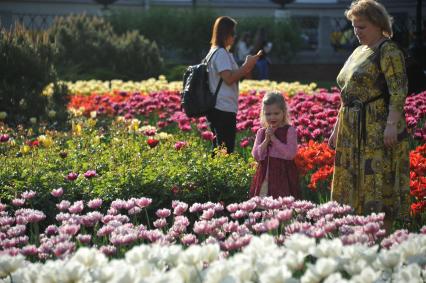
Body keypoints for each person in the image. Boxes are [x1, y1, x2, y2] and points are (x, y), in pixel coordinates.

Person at [328, 0, 410, 229]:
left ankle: (379, 237)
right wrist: (336, 129)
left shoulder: (388, 50)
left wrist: (391, 125)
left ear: (377, 24)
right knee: (350, 186)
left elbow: (398, 90)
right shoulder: (358, 51)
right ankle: (353, 235)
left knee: (375, 184)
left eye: (362, 26)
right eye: (354, 26)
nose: (356, 31)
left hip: (376, 129)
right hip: (351, 128)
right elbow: (347, 94)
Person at [206, 16, 260, 154]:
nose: (235, 36)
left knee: (219, 148)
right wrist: (247, 66)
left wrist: (246, 68)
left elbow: (230, 76)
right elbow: (228, 78)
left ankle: (215, 174)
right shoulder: (221, 53)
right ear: (225, 33)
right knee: (225, 149)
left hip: (218, 107)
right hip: (222, 107)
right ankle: (219, 175)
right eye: (233, 33)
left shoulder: (215, 51)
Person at [249, 92, 300, 199]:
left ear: (284, 112)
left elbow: (290, 154)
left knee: (282, 202)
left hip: (283, 174)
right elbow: (256, 155)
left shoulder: (289, 131)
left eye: (276, 113)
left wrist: (274, 139)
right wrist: (266, 140)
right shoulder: (261, 132)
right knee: (264, 201)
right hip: (265, 174)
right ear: (263, 114)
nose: (272, 117)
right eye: (268, 114)